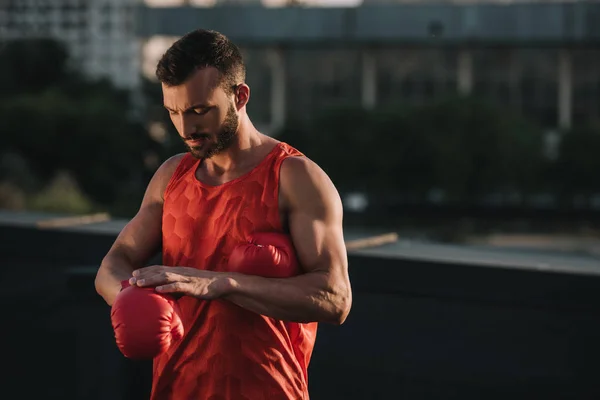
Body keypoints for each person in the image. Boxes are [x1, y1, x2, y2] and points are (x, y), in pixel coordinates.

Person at [95, 28, 352, 399]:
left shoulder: (296, 177)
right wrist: (127, 298)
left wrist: (223, 283)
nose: (187, 128)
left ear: (240, 96)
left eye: (200, 111)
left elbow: (335, 298)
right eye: (174, 112)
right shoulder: (171, 176)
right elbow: (111, 265)